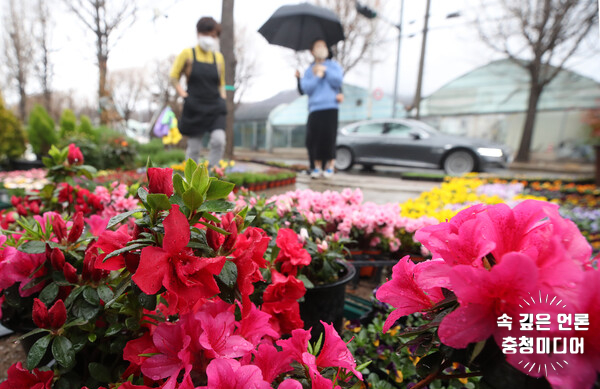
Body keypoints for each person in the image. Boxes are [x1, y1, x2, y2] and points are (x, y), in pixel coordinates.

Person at [170, 16, 227, 167]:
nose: (210, 39)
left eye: (213, 36)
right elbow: (174, 76)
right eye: (207, 34)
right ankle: (193, 182)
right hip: (195, 105)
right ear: (199, 33)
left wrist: (223, 98)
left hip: (215, 104)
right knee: (194, 147)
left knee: (219, 140)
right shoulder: (187, 54)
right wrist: (184, 95)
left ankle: (213, 176)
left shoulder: (218, 58)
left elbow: (221, 83)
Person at [301, 39, 344, 178]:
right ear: (312, 51)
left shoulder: (333, 66)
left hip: (331, 107)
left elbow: (338, 81)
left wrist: (325, 71)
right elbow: (306, 88)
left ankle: (330, 166)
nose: (321, 48)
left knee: (329, 137)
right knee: (315, 139)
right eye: (318, 46)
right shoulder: (309, 70)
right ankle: (317, 167)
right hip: (315, 108)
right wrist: (317, 76)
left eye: (324, 45)